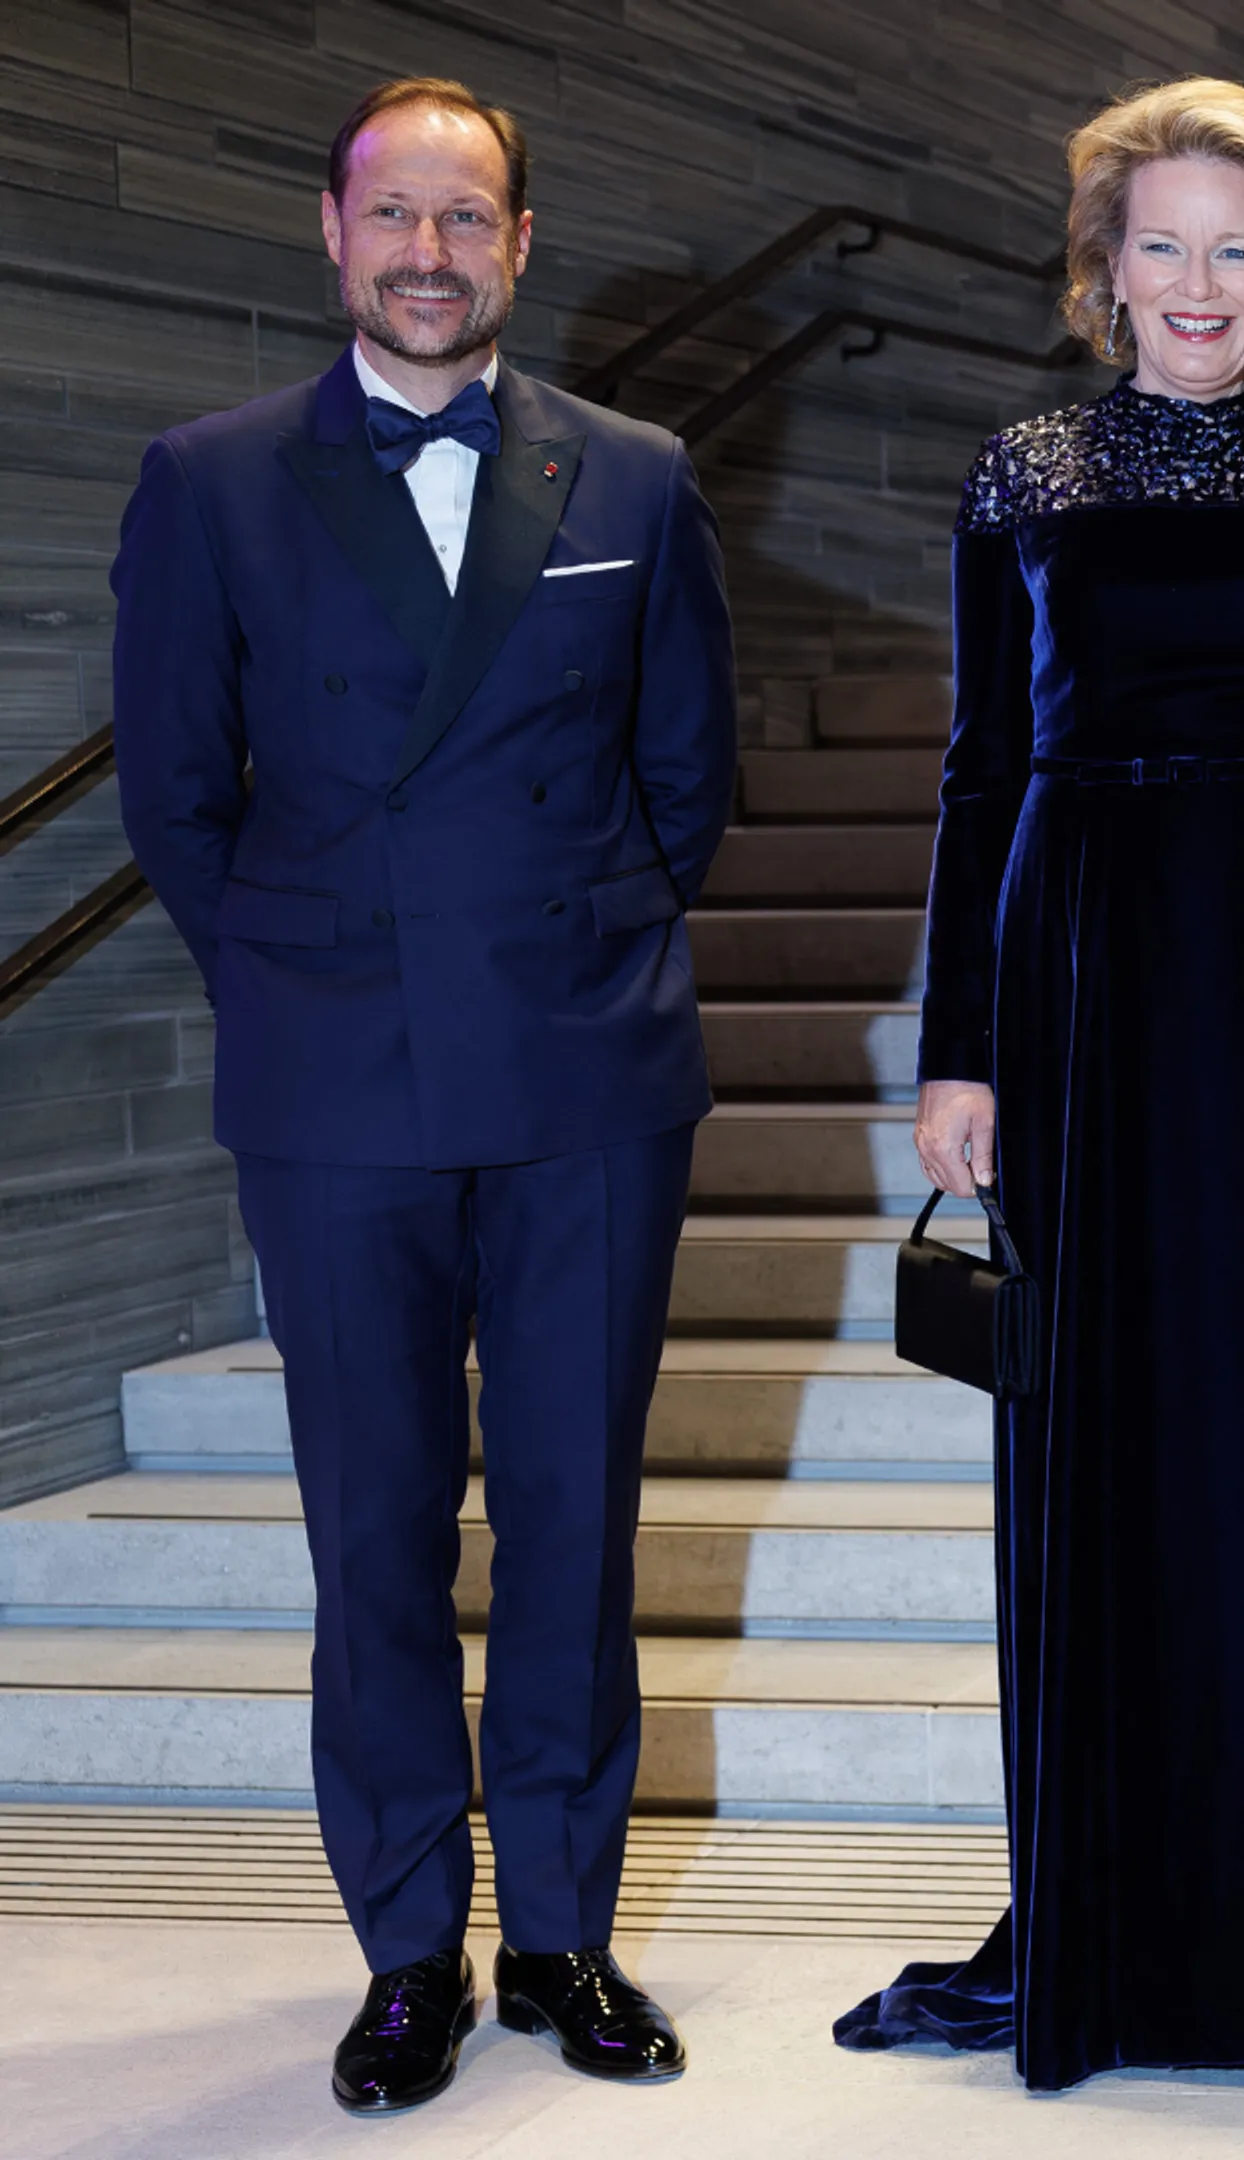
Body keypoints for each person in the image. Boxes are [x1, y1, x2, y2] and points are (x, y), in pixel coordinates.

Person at [830, 77, 1244, 2088]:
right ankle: (1121, 1921)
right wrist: (958, 1047)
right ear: (1103, 268)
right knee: (1111, 1443)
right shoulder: (1019, 470)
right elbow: (977, 769)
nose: (1201, 286)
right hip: (1087, 983)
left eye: (1239, 251)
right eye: (1163, 247)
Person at [110, 76, 731, 2114]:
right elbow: (179, 798)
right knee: (371, 1532)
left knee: (574, 1518)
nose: (430, 253)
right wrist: (313, 971)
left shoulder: (634, 477)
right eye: (397, 215)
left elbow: (686, 776)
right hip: (334, 1078)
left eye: (468, 219)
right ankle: (404, 1951)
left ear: (521, 245)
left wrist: (570, 944)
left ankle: (559, 1931)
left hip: (583, 1068)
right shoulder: (209, 482)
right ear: (333, 231)